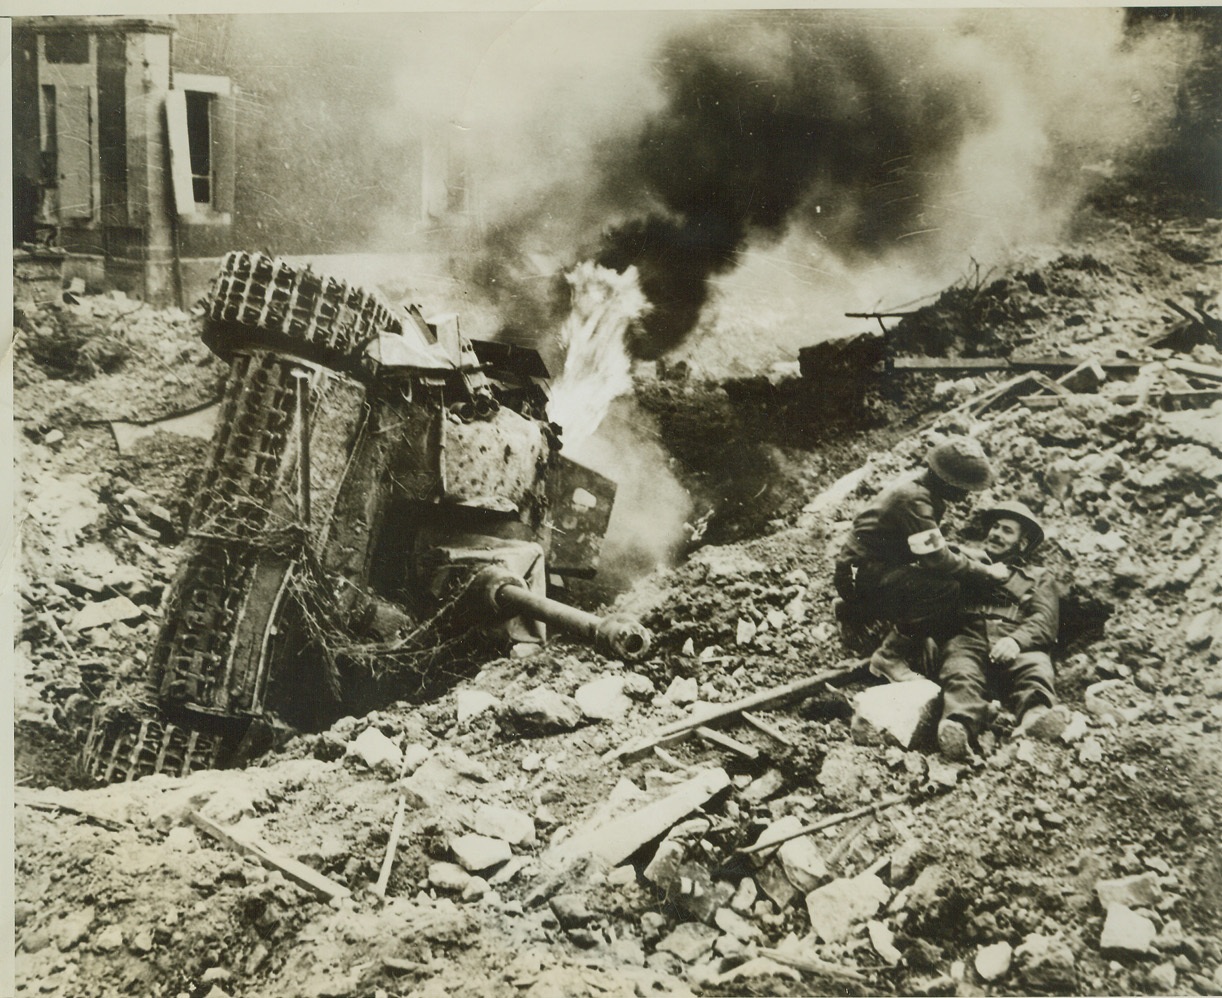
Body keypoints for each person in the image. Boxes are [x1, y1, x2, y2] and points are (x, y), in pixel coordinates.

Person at [834, 437, 1010, 683]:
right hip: (860, 577)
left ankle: (854, 611)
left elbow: (921, 543)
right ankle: (888, 656)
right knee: (945, 589)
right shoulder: (915, 500)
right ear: (946, 482)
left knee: (940, 575)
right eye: (963, 488)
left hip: (857, 571)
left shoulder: (918, 488)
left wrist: (962, 551)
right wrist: (985, 571)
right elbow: (937, 560)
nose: (966, 495)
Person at [936, 500, 1069, 761]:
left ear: (1022, 543)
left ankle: (1035, 717)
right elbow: (938, 557)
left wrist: (1016, 641)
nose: (996, 533)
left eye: (1007, 530)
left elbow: (1045, 619)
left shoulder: (1039, 576)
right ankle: (958, 728)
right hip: (969, 639)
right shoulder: (967, 564)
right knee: (960, 670)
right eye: (995, 527)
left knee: (1037, 666)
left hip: (1015, 641)